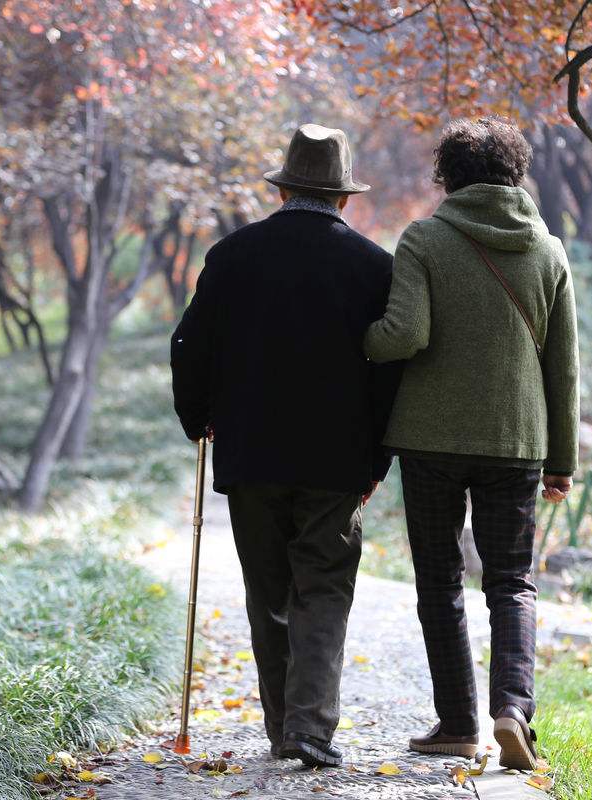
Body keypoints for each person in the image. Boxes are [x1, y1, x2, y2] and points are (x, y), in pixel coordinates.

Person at [170, 124, 399, 768]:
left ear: (285, 188)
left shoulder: (232, 255)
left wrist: (199, 419)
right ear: (343, 198)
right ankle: (308, 729)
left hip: (252, 458)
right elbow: (390, 373)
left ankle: (282, 727)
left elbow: (189, 347)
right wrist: (378, 458)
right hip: (337, 462)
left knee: (268, 591)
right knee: (323, 589)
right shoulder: (374, 267)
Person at [363, 117, 579, 770]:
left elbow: (404, 335)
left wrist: (362, 342)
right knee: (512, 583)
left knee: (439, 580)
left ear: (447, 176)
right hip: (516, 440)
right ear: (517, 174)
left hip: (429, 439)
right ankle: (512, 711)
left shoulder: (425, 239)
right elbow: (563, 369)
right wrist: (561, 461)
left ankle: (457, 722)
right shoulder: (549, 251)